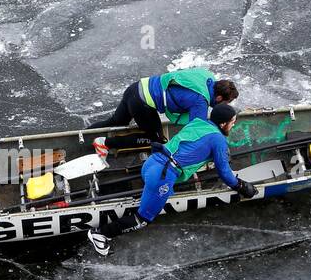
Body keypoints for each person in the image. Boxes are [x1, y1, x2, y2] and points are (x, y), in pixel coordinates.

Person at [86, 104, 256, 256]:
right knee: (143, 219)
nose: (233, 125)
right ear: (222, 124)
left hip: (152, 163)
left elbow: (193, 148)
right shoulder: (218, 140)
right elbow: (225, 173)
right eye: (232, 122)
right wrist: (242, 186)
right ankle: (101, 234)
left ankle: (150, 195)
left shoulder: (198, 122)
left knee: (157, 191)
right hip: (162, 176)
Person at [91, 70, 238, 155]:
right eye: (225, 103)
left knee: (117, 122)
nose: (224, 106)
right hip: (143, 103)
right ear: (218, 97)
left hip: (137, 88)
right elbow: (195, 132)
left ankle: (83, 134)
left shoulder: (207, 76)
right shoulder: (200, 101)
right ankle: (105, 143)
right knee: (156, 140)